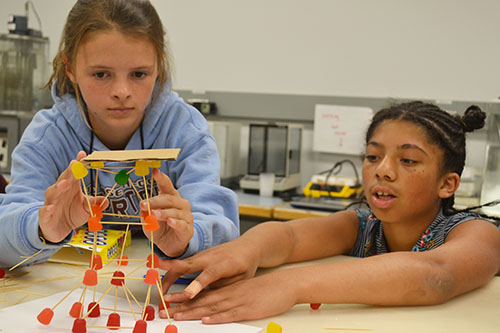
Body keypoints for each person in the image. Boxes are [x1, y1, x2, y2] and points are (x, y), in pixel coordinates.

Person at [157, 101, 500, 324]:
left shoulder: (475, 233)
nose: (383, 170)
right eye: (372, 156)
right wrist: (245, 251)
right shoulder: (362, 224)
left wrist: (291, 285)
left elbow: (435, 275)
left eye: (407, 160)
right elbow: (289, 237)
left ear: (448, 184)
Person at [0, 0, 239, 268]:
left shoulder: (184, 128)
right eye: (101, 74)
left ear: (158, 66)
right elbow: (6, 230)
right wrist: (41, 227)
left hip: (150, 286)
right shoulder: (48, 135)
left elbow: (223, 230)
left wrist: (189, 237)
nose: (122, 91)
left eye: (139, 74)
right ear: (70, 69)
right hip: (74, 289)